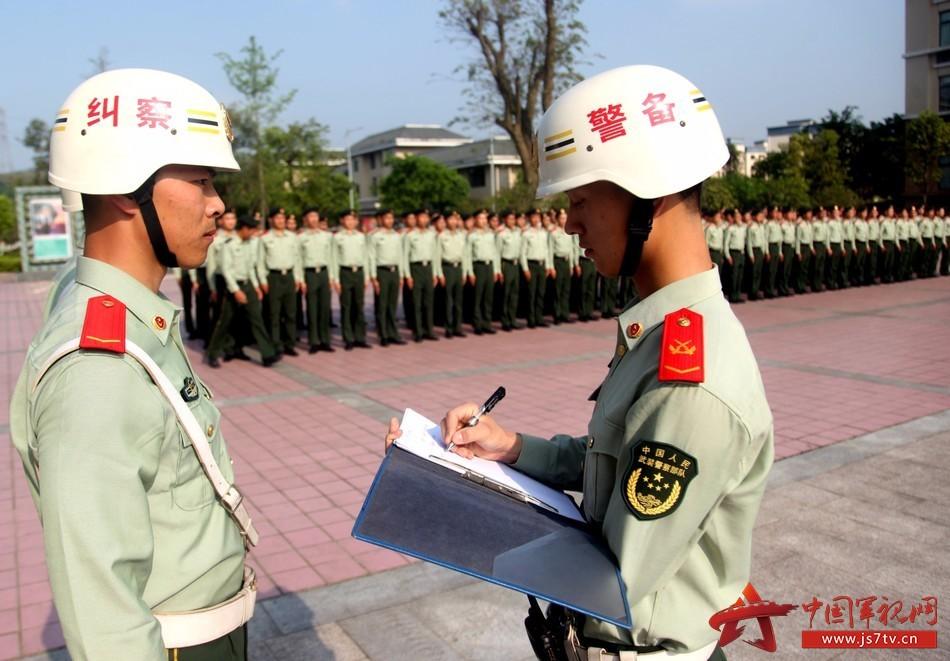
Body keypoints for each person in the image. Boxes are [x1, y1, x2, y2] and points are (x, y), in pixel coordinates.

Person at [386, 65, 772, 660]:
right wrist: (509, 450)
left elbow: (612, 583)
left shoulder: (691, 381)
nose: (569, 223)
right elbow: (614, 471)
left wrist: (446, 499)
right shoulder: (663, 332)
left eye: (582, 200)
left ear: (649, 194)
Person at [10, 68, 260, 660]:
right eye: (200, 182)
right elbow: (102, 604)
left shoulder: (114, 303)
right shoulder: (97, 367)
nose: (218, 204)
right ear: (128, 187)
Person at [258, 208, 303, 356]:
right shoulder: (265, 239)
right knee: (274, 314)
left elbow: (297, 259)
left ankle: (289, 344)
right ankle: (275, 344)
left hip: (289, 276)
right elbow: (260, 262)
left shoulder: (292, 237)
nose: (281, 221)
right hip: (274, 278)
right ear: (271, 220)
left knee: (291, 313)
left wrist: (298, 278)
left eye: (283, 218)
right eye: (277, 218)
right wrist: (263, 281)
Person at [298, 208, 336, 353]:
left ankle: (325, 340)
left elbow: (332, 257)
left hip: (324, 273)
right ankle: (313, 341)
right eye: (310, 217)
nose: (313, 219)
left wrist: (332, 277)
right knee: (312, 309)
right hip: (309, 274)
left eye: (315, 216)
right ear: (306, 220)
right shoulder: (301, 238)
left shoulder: (327, 236)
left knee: (325, 308)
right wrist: (301, 279)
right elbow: (298, 259)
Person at [333, 211, 372, 350]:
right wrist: (336, 279)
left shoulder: (362, 237)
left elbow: (366, 257)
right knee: (346, 306)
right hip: (345, 272)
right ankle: (348, 338)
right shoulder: (337, 237)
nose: (350, 222)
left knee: (359, 306)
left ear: (356, 222)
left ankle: (360, 337)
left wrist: (367, 276)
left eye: (353, 219)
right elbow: (334, 258)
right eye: (347, 219)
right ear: (343, 221)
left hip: (359, 272)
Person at [369, 209, 408, 346]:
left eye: (391, 218)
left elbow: (401, 256)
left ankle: (393, 333)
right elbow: (372, 257)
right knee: (382, 304)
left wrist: (402, 274)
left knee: (392, 305)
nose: (389, 221)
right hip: (382, 272)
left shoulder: (396, 236)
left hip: (395, 271)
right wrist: (373, 277)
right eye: (386, 218)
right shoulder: (374, 236)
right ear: (380, 219)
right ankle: (383, 334)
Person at [404, 209, 439, 342]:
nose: (423, 220)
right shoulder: (410, 235)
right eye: (421, 217)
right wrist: (408, 275)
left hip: (428, 268)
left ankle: (429, 329)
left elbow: (435, 255)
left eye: (426, 217)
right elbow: (405, 256)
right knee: (417, 302)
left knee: (428, 302)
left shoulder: (431, 235)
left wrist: (435, 273)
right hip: (416, 269)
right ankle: (417, 331)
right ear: (416, 219)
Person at [465, 210, 501, 334]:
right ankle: (477, 324)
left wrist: (496, 270)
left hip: (489, 266)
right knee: (478, 297)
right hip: (478, 267)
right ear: (475, 220)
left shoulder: (491, 234)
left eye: (485, 218)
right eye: (480, 218)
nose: (483, 221)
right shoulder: (471, 235)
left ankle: (487, 323)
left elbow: (495, 253)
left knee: (488, 297)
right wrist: (470, 272)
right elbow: (467, 255)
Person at [436, 211, 468, 337]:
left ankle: (458, 327)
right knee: (448, 300)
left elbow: (465, 255)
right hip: (447, 268)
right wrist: (440, 274)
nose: (453, 222)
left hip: (458, 268)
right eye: (450, 219)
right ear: (446, 221)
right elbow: (437, 256)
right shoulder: (442, 236)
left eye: (455, 219)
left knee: (459, 300)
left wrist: (464, 272)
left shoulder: (461, 235)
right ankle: (448, 328)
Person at [520, 208, 554, 327]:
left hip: (542, 265)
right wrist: (525, 269)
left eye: (538, 217)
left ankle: (539, 318)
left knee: (541, 293)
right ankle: (531, 319)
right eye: (533, 217)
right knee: (531, 293)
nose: (536, 219)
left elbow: (547, 250)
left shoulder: (544, 233)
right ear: (530, 218)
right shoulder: (526, 233)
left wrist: (548, 266)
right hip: (531, 265)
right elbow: (522, 253)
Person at [496, 211, 524, 331]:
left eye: (513, 219)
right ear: (505, 220)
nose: (512, 221)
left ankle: (512, 319)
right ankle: (505, 321)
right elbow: (497, 253)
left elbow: (521, 251)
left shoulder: (518, 232)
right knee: (506, 294)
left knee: (514, 294)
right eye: (509, 219)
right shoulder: (501, 234)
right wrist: (498, 270)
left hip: (516, 264)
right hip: (506, 265)